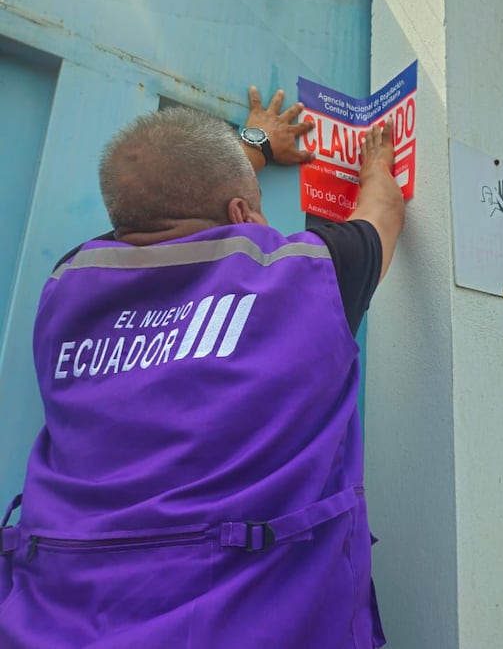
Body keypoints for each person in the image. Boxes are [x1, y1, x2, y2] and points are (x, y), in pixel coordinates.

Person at [0, 86, 404, 647]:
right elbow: (382, 207)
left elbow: (152, 203)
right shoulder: (309, 277)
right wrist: (378, 160)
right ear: (241, 213)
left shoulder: (67, 285)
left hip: (47, 620)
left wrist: (252, 146)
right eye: (256, 204)